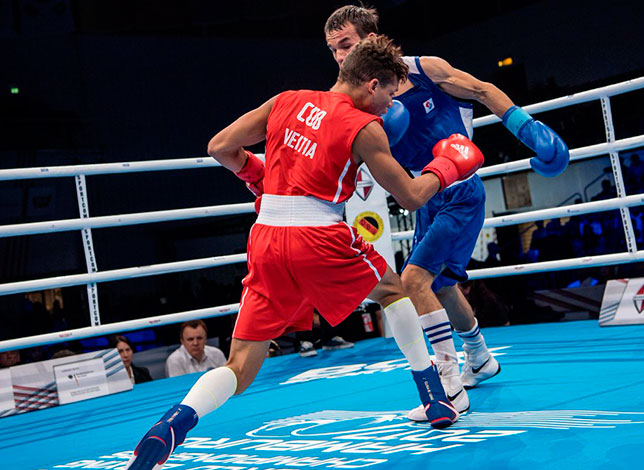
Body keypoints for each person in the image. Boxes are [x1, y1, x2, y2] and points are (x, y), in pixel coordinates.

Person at [125, 35, 484, 470]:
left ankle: (174, 423)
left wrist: (256, 173)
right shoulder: (365, 127)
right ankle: (433, 397)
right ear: (372, 85)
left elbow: (221, 147)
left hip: (266, 237)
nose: (393, 105)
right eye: (391, 94)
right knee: (393, 291)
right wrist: (445, 167)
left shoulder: (286, 100)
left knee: (240, 368)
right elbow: (410, 196)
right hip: (318, 234)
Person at [323, 5, 570, 421]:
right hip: (424, 193)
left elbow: (482, 90)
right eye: (332, 50)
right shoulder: (349, 98)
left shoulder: (424, 69)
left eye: (346, 45)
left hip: (460, 189)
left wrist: (528, 129)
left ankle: (449, 389)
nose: (340, 57)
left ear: (369, 37)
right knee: (439, 286)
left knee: (414, 280)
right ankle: (480, 359)